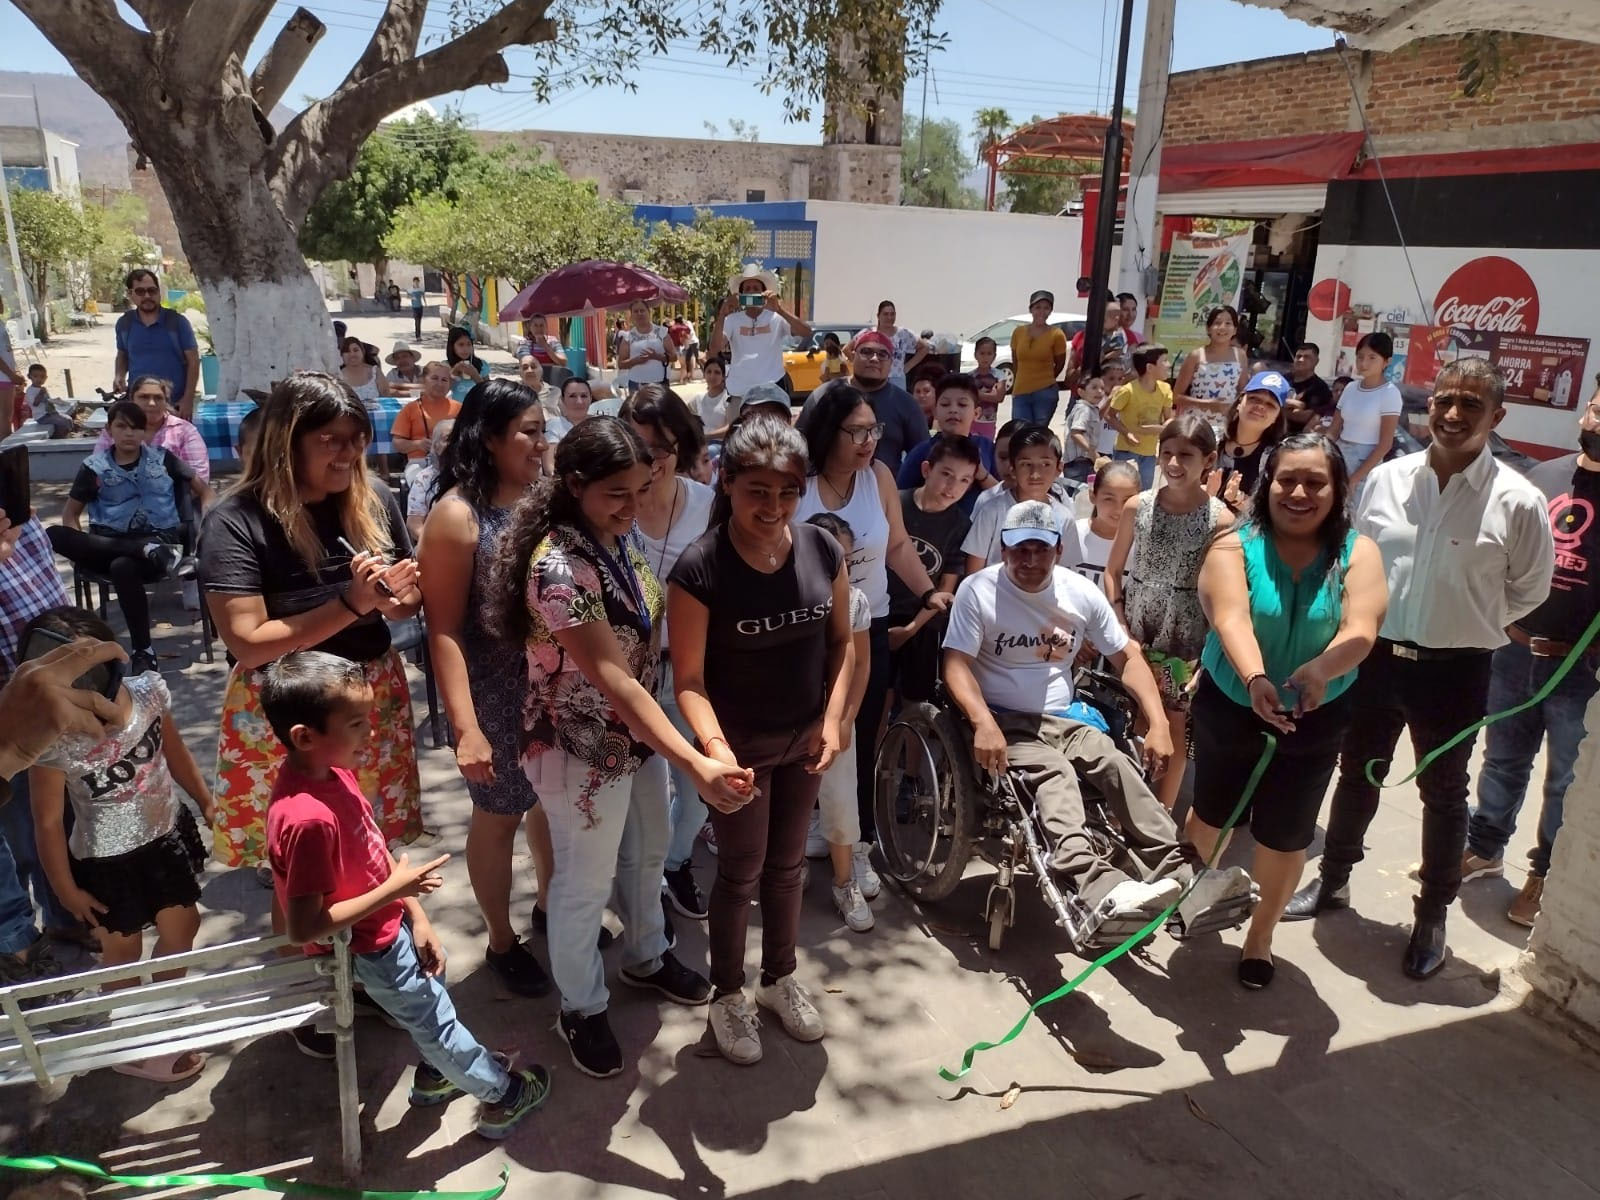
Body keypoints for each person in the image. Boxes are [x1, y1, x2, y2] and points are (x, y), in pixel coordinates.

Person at [488, 417, 752, 1078]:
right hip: (576, 746)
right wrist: (694, 759)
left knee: (649, 849)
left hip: (630, 739)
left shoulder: (614, 535)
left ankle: (646, 955)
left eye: (642, 489)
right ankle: (580, 1005)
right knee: (584, 880)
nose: (634, 506)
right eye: (618, 493)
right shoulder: (558, 568)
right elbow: (613, 678)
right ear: (575, 485)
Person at [1286, 360, 1555, 979]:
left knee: (1444, 792)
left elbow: (1530, 589)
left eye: (1471, 404)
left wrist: (1472, 620)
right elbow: (1355, 561)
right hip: (1376, 658)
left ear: (1497, 416)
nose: (1454, 414)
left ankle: (1432, 913)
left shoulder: (1518, 500)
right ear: (1428, 405)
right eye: (1444, 401)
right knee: (1358, 774)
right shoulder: (1387, 480)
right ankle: (1333, 879)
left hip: (1457, 671)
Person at [261, 651, 549, 1135]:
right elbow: (304, 926)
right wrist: (396, 891)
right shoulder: (307, 819)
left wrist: (415, 913)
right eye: (356, 724)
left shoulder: (331, 771)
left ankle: (439, 1073)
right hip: (370, 948)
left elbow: (373, 850)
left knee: (433, 998)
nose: (371, 733)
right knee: (436, 1024)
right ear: (305, 737)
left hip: (391, 927)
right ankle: (503, 1095)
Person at [943, 501, 1251, 927]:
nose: (1030, 560)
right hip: (1004, 720)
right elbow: (955, 663)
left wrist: (1159, 724)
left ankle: (1187, 876)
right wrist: (982, 721)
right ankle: (1097, 884)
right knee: (1056, 774)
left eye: (1041, 549)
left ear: (1059, 550)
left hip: (1065, 716)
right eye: (1020, 550)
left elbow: (1129, 659)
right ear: (1003, 549)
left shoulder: (1079, 593)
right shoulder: (978, 590)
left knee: (1115, 764)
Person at [667, 413, 852, 1063]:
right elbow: (688, 680)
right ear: (727, 482)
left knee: (788, 867)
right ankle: (727, 994)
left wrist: (834, 720)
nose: (773, 507)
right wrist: (715, 751)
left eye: (787, 492)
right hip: (738, 751)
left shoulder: (823, 548)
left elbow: (842, 644)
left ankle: (778, 979)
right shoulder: (700, 567)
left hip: (805, 743)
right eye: (758, 491)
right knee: (740, 870)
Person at [200, 372, 425, 878]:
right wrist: (351, 603)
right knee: (299, 865)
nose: (349, 453)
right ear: (288, 442)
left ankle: (376, 925)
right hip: (286, 705)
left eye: (357, 439)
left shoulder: (375, 498)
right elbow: (250, 643)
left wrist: (396, 598)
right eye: (331, 440)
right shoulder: (235, 520)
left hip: (368, 693)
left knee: (370, 850)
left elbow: (407, 600)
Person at [1189, 435, 1386, 988]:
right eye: (1288, 480)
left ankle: (1260, 937)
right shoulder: (1232, 545)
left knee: (1286, 835)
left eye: (1316, 482)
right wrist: (1255, 678)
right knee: (1212, 819)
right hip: (1232, 704)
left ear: (1338, 489)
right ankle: (1195, 897)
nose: (1300, 493)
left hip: (1316, 715)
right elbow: (1230, 617)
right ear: (1267, 485)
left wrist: (1321, 670)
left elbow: (1362, 627)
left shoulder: (1358, 553)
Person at [26, 605, 216, 1082]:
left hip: (165, 838)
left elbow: (175, 752)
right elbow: (47, 821)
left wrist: (206, 801)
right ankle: (131, 1044)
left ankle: (160, 1016)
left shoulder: (148, 692)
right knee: (121, 955)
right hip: (104, 865)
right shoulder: (50, 739)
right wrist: (65, 890)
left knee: (183, 929)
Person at [417, 380, 553, 996]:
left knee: (550, 805)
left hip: (552, 687)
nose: (541, 443)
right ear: (491, 437)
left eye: (542, 430)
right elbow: (443, 630)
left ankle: (550, 907)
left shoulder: (544, 499)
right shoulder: (457, 517)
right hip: (492, 694)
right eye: (529, 431)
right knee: (499, 816)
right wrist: (466, 728)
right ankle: (501, 941)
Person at [794, 382, 953, 865]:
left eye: (873, 430)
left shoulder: (878, 475)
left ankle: (857, 836)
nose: (869, 442)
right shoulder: (798, 481)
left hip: (869, 625)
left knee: (860, 731)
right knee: (806, 730)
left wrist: (927, 592)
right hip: (806, 629)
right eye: (857, 432)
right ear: (827, 432)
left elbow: (897, 545)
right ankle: (809, 824)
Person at [1463, 393, 1600, 927]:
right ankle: (1485, 849)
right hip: (1515, 651)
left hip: (1580, 669)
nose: (1598, 421)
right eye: (1597, 408)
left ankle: (1545, 874)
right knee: (1501, 759)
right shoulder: (1544, 477)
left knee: (1565, 779)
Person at [618, 386, 714, 926]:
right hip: (624, 676)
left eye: (662, 447)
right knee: (643, 802)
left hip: (691, 673)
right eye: (638, 445)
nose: (650, 460)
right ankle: (644, 897)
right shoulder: (608, 505)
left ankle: (674, 865)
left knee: (699, 790)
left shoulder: (707, 504)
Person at [1104, 412, 1230, 813]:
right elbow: (1112, 570)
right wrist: (1119, 622)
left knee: (1173, 723)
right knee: (1134, 717)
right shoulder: (1137, 507)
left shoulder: (1220, 520)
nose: (1174, 463)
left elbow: (1225, 593)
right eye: (1167, 453)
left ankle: (1160, 814)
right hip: (1135, 629)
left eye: (1186, 455)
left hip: (1185, 637)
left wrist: (1210, 651)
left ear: (1208, 460)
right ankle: (1126, 809)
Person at [48, 401, 212, 676]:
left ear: (145, 432)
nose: (129, 433)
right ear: (109, 429)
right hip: (108, 545)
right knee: (53, 534)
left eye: (136, 428)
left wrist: (206, 523)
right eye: (121, 426)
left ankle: (143, 651)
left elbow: (205, 492)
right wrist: (84, 552)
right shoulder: (94, 467)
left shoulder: (163, 459)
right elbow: (70, 515)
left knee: (122, 566)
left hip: (160, 546)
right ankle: (140, 549)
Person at [795, 512, 875, 932]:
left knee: (841, 798)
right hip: (789, 715)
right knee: (790, 799)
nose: (838, 568)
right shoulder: (786, 597)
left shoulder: (856, 602)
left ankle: (845, 881)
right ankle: (791, 867)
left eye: (845, 559)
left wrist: (846, 718)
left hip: (836, 712)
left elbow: (860, 664)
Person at [887, 435, 976, 705]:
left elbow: (945, 589)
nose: (953, 487)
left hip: (923, 623)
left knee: (917, 701)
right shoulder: (895, 504)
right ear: (927, 469)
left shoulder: (960, 525)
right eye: (946, 474)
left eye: (964, 480)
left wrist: (910, 629)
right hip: (880, 614)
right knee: (878, 693)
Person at [800, 331, 925, 475]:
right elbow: (799, 447)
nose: (874, 359)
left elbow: (922, 457)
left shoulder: (906, 404)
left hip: (886, 487)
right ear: (853, 356)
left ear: (891, 363)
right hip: (825, 485)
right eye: (866, 352)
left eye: (882, 354)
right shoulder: (824, 395)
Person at [963, 425, 1072, 572]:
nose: (1035, 474)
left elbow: (1065, 572)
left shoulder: (1065, 517)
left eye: (1045, 464)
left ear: (1059, 468)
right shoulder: (991, 511)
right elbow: (973, 572)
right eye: (1026, 464)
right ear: (1012, 469)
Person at [895, 373, 1000, 513]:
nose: (953, 410)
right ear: (935, 411)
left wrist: (983, 476)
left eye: (962, 404)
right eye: (945, 404)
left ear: (976, 413)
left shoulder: (987, 448)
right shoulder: (922, 451)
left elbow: (1005, 497)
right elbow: (900, 498)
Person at [709, 267, 809, 399]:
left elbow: (806, 332)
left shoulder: (776, 318)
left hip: (772, 389)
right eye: (747, 289)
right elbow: (714, 349)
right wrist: (722, 314)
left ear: (764, 293)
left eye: (756, 288)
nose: (751, 292)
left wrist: (780, 310)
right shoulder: (732, 320)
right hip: (739, 391)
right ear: (741, 295)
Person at [113, 269, 199, 418]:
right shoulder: (125, 324)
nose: (147, 296)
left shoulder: (177, 323)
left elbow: (194, 361)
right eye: (140, 291)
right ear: (130, 294)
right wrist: (119, 375)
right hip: (139, 407)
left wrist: (188, 399)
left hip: (174, 406)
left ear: (159, 292)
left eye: (152, 290)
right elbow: (123, 354)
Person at [1327, 331, 1402, 499]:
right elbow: (1334, 429)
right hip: (1339, 456)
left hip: (1366, 463)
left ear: (1387, 362)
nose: (1363, 363)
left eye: (1372, 357)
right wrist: (1322, 452)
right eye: (1360, 357)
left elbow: (1385, 444)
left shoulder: (1390, 393)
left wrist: (1355, 478)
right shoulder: (1350, 388)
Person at [93, 375, 210, 481]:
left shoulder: (184, 431)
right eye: (144, 397)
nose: (152, 403)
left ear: (166, 402)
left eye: (158, 398)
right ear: (132, 400)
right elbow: (97, 473)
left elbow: (200, 478)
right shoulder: (114, 431)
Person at [1213, 370, 1291, 510]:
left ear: (1276, 418)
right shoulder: (1212, 440)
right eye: (1254, 398)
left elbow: (1271, 509)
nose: (1260, 406)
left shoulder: (1276, 457)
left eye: (1270, 405)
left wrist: (1238, 498)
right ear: (1239, 402)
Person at [1061, 460, 1140, 588]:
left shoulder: (1142, 544)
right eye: (1109, 499)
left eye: (1128, 500)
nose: (1118, 509)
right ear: (1093, 496)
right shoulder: (1071, 534)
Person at [1107, 344, 1174, 489]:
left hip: (1150, 453)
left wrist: (1166, 426)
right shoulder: (1127, 391)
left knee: (1144, 493)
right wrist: (1127, 433)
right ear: (1150, 367)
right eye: (1164, 361)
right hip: (1126, 451)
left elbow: (1168, 418)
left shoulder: (1165, 389)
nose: (1168, 365)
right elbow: (1109, 415)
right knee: (1123, 489)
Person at [1173, 305, 1247, 422]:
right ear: (1208, 329)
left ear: (1235, 330)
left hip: (1226, 425)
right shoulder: (1196, 356)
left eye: (1228, 323)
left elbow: (1243, 393)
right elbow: (1176, 397)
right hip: (1196, 424)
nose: (1222, 327)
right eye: (1217, 323)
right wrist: (1206, 404)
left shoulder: (1240, 356)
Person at [1009, 290, 1068, 427]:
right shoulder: (1018, 332)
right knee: (1019, 430)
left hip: (1045, 391)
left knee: (1038, 433)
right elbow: (1015, 361)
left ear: (1050, 311)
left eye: (1046, 308)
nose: (1041, 311)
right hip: (1021, 390)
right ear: (1031, 309)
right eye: (1038, 307)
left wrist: (1046, 380)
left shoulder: (1056, 334)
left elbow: (1060, 363)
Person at [391, 363, 462, 475]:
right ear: (423, 380)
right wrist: (417, 444)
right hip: (419, 463)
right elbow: (397, 443)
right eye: (434, 378)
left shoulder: (459, 408)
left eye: (444, 380)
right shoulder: (410, 409)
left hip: (451, 462)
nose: (439, 384)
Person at [404, 418, 456, 541]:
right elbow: (414, 523)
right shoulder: (424, 479)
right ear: (435, 446)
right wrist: (433, 544)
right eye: (447, 439)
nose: (453, 444)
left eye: (457, 439)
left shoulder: (472, 477)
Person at [859, 300, 927, 389]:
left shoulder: (903, 333)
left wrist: (908, 367)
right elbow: (847, 349)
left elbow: (924, 347)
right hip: (875, 377)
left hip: (897, 379)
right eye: (885, 314)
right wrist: (861, 367)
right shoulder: (870, 333)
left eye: (892, 314)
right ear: (878, 316)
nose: (889, 317)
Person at [617, 301, 679, 396]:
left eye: (642, 310)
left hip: (659, 383)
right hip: (636, 384)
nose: (639, 314)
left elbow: (674, 357)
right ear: (632, 315)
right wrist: (636, 361)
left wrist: (656, 356)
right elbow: (621, 364)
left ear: (649, 312)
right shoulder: (628, 337)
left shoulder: (662, 332)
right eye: (636, 311)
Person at [1069, 297, 1129, 389]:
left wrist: (1104, 357)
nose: (1116, 319)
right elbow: (1069, 376)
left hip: (1110, 381)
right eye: (1111, 316)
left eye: (1117, 316)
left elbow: (1119, 351)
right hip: (1087, 386)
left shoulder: (1118, 334)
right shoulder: (1084, 336)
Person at [1064, 373, 1110, 484]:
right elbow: (1076, 433)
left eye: (1102, 388)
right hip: (1078, 462)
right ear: (1081, 392)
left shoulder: (1091, 409)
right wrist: (1092, 452)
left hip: (1084, 461)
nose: (1099, 391)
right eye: (1094, 388)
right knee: (1078, 491)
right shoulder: (1084, 409)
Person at [1285, 342, 1335, 433]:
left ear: (1316, 361)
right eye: (1298, 356)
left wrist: (1278, 409)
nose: (1301, 360)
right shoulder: (1283, 379)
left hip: (1296, 436)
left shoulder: (1320, 388)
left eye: (1306, 357)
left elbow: (1306, 417)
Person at [546, 376, 595, 466]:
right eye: (572, 396)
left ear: (591, 398)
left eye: (584, 396)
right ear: (562, 399)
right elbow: (550, 466)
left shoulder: (600, 424)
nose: (579, 402)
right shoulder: (554, 425)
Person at [971, 336, 1004, 442]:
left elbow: (999, 397)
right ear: (975, 355)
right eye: (982, 353)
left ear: (994, 356)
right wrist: (991, 395)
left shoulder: (999, 375)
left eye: (989, 354)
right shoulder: (970, 376)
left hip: (989, 421)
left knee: (987, 445)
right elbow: (968, 396)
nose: (985, 357)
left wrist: (978, 394)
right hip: (971, 420)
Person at [338, 337, 389, 406]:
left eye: (355, 350)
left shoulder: (375, 372)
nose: (352, 354)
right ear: (341, 355)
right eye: (347, 351)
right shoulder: (338, 376)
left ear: (363, 352)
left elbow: (386, 398)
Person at [695, 357, 733, 444]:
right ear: (704, 374)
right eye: (709, 372)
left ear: (723, 376)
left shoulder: (728, 399)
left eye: (717, 372)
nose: (712, 376)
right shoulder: (699, 398)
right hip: (702, 442)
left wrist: (707, 437)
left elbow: (729, 428)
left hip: (720, 443)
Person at [446, 327, 487, 403]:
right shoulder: (445, 366)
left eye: (469, 344)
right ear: (452, 346)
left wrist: (475, 376)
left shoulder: (481, 365)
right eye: (461, 345)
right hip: (455, 408)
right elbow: (442, 392)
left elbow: (489, 392)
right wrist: (454, 373)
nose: (465, 349)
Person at [0, 295, 20, 438]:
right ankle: (5, 447)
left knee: (7, 415)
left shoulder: (1, 323)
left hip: (7, 375)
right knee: (5, 416)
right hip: (3, 377)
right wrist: (12, 375)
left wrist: (14, 371)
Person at [908, 364, 940, 432]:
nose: (921, 395)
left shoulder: (945, 419)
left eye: (926, 391)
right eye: (917, 391)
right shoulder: (908, 418)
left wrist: (936, 418)